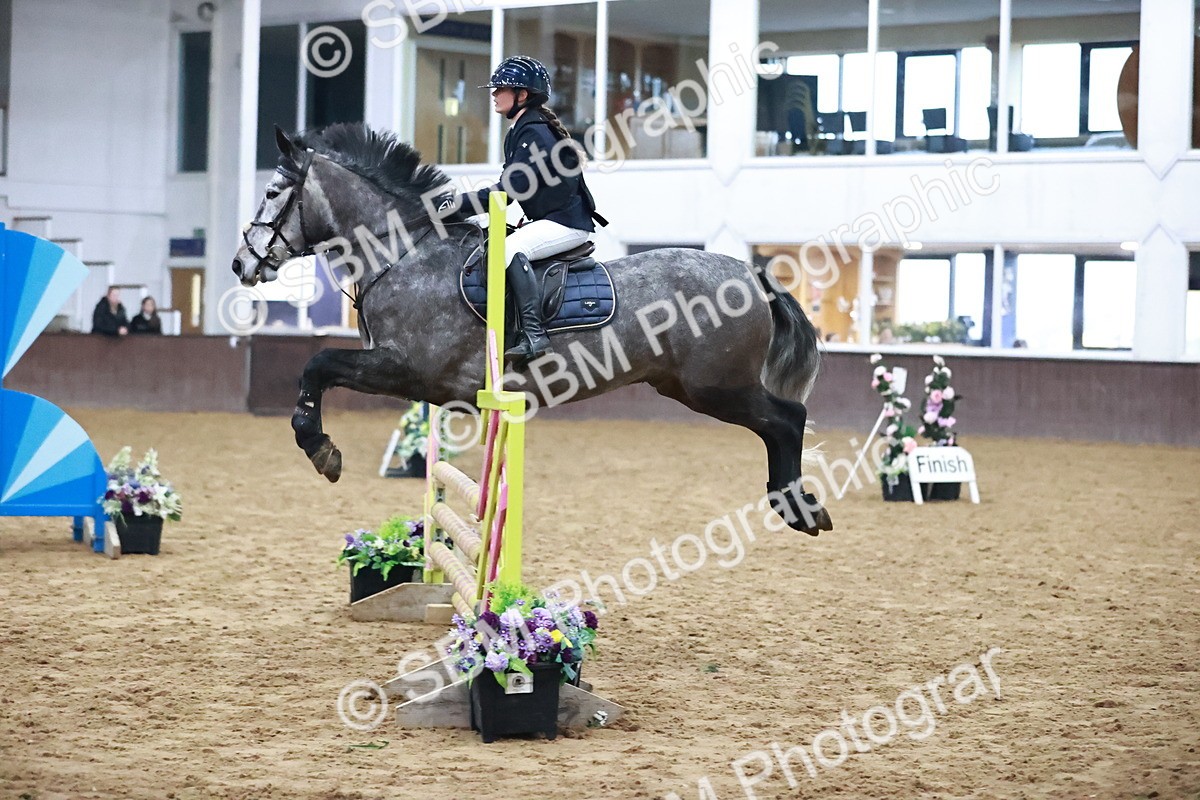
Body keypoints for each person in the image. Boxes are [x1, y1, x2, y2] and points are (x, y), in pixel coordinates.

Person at [462, 55, 607, 363]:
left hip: (567, 224)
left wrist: (456, 206)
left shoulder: (534, 134)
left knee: (509, 249)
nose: (493, 93)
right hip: (550, 220)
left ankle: (534, 335)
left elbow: (505, 193)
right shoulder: (521, 131)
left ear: (522, 95)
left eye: (501, 88)